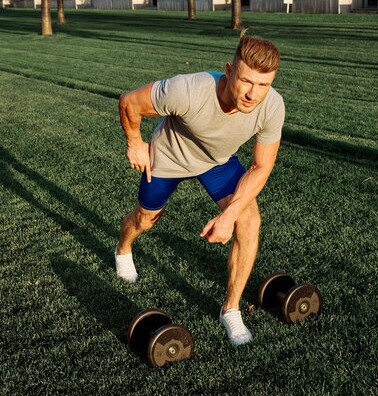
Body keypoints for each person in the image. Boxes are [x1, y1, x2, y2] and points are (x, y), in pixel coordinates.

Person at [115, 34, 285, 346]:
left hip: (218, 162)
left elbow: (261, 167)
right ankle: (123, 248)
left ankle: (231, 309)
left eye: (263, 85)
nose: (253, 94)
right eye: (247, 81)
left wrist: (230, 215)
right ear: (229, 70)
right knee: (145, 219)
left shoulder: (272, 106)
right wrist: (135, 142)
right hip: (169, 158)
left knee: (248, 220)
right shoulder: (188, 90)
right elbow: (129, 101)